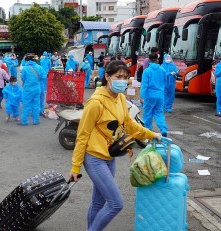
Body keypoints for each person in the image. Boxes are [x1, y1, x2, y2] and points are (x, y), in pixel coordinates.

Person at [69, 60, 162, 231]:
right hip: (94, 158)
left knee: (99, 202)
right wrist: (76, 167)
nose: (122, 80)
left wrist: (151, 134)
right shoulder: (95, 103)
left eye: (125, 77)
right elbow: (82, 136)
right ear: (107, 76)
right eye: (118, 76)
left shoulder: (120, 97)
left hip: (110, 157)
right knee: (116, 204)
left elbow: (130, 124)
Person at [140, 53, 168, 137]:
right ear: (157, 59)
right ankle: (163, 129)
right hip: (160, 95)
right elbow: (165, 82)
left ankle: (148, 129)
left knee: (148, 113)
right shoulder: (162, 70)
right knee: (159, 112)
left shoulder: (147, 71)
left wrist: (142, 96)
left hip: (150, 95)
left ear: (149, 60)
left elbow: (144, 85)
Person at [19, 54, 47, 126]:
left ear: (26, 60)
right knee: (36, 105)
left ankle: (24, 121)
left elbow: (23, 78)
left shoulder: (25, 68)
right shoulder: (39, 67)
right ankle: (36, 121)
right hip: (37, 88)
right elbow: (44, 76)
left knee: (26, 105)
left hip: (28, 89)